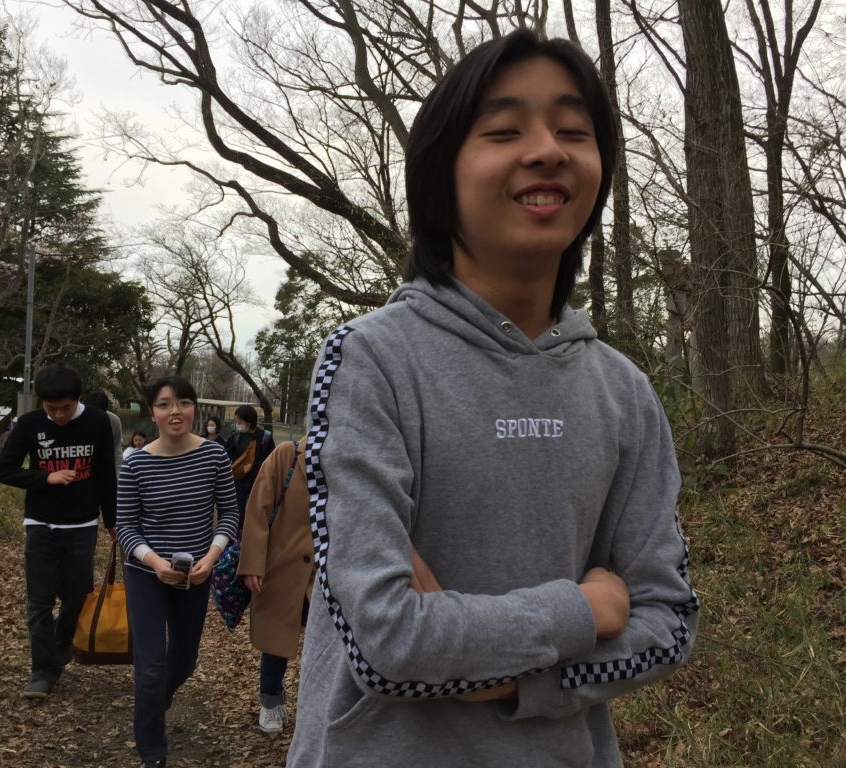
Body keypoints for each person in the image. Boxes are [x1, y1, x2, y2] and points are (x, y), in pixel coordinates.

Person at [286, 30, 699, 768]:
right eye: (505, 131)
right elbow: (385, 643)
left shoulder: (624, 392)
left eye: (573, 131)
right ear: (440, 173)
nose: (546, 151)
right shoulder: (370, 361)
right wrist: (587, 610)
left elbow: (668, 624)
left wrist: (521, 678)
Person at [116, 375, 241, 768]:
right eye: (165, 404)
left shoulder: (214, 455)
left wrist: (212, 556)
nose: (176, 411)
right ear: (152, 413)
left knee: (184, 660)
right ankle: (152, 753)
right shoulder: (135, 462)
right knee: (151, 666)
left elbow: (229, 513)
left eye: (184, 403)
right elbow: (125, 526)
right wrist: (155, 562)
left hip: (195, 572)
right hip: (145, 572)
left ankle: (156, 699)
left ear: (194, 410)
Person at [0, 362, 117, 699]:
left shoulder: (98, 422)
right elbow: (4, 470)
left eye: (65, 408)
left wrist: (112, 520)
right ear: (41, 403)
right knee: (40, 601)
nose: (59, 415)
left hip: (82, 524)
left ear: (77, 399)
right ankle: (42, 672)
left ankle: (61, 647)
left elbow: (106, 473)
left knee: (78, 597)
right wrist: (45, 477)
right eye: (51, 408)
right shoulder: (30, 424)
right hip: (41, 524)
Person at [237, 437, 311, 734]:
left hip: (327, 571)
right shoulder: (287, 454)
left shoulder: (350, 457)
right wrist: (253, 563)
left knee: (329, 643)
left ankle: (317, 705)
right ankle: (270, 701)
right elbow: (258, 508)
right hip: (283, 564)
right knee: (276, 639)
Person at [225, 404, 276, 523]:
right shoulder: (235, 436)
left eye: (239, 421)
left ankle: (253, 532)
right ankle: (238, 532)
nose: (237, 424)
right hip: (239, 478)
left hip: (258, 480)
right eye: (236, 421)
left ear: (249, 421)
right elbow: (225, 453)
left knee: (256, 511)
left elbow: (272, 460)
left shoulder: (265, 437)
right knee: (238, 510)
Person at [83, 390, 123, 473]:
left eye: (99, 415)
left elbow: (116, 450)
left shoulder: (114, 421)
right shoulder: (78, 420)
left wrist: (118, 474)